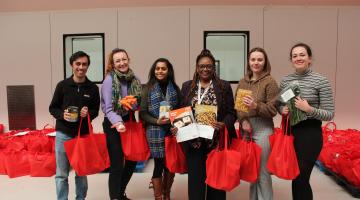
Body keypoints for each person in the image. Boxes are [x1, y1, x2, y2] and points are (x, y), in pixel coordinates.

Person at [279, 43, 334, 200]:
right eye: (295, 56)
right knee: (295, 178)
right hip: (292, 132)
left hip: (311, 134)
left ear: (310, 58)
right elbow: (280, 104)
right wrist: (282, 110)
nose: (298, 58)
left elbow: (329, 114)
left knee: (301, 177)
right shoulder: (286, 81)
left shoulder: (321, 81)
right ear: (291, 60)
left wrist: (309, 109)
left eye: (302, 55)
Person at [179, 49, 236, 200]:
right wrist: (177, 126)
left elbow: (232, 112)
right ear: (197, 68)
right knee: (195, 184)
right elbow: (181, 111)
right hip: (194, 142)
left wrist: (224, 124)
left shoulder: (223, 86)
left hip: (215, 143)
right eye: (202, 66)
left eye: (209, 66)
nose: (205, 69)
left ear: (213, 68)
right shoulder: (187, 86)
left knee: (216, 183)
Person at [49, 51, 100, 200]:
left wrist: (87, 113)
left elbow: (95, 111)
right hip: (63, 134)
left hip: (82, 135)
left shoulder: (92, 88)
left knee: (81, 172)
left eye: (84, 64)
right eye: (78, 64)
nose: (81, 67)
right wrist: (61, 115)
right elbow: (53, 108)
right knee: (61, 174)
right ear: (72, 65)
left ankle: (80, 198)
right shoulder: (62, 85)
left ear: (88, 66)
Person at [235, 47, 279, 200]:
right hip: (246, 129)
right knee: (252, 171)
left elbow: (273, 110)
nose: (256, 62)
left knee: (263, 172)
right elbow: (238, 108)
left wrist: (256, 106)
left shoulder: (270, 82)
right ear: (248, 61)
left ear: (265, 61)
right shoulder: (242, 82)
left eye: (260, 59)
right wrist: (243, 121)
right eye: (253, 59)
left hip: (263, 128)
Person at [101, 48, 142, 200]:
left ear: (128, 59)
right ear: (113, 64)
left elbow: (138, 103)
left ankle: (120, 192)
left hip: (130, 120)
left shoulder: (135, 79)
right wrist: (118, 123)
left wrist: (132, 104)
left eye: (124, 59)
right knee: (117, 164)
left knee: (132, 160)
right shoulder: (109, 81)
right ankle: (115, 197)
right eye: (118, 61)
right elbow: (108, 109)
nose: (122, 63)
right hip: (113, 123)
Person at [140, 58, 182, 200]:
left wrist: (175, 125)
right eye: (157, 68)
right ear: (153, 70)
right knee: (159, 163)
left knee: (170, 164)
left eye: (163, 68)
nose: (160, 71)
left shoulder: (175, 89)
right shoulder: (147, 88)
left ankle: (167, 193)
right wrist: (156, 121)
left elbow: (180, 110)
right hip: (154, 131)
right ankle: (159, 196)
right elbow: (143, 113)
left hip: (171, 131)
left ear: (168, 71)